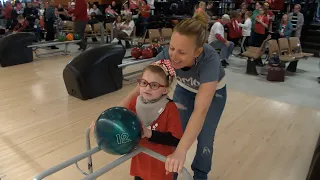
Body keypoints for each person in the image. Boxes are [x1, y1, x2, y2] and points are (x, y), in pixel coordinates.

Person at [120, 10, 227, 180]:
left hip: (214, 94)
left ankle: (200, 175)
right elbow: (140, 87)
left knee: (205, 139)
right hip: (184, 89)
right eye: (172, 48)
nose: (174, 57)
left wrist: (182, 151)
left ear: (197, 52)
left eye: (182, 53)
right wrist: (114, 113)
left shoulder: (210, 60)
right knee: (178, 134)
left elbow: (200, 110)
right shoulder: (166, 55)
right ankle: (172, 173)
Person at [91, 60, 183, 180]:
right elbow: (120, 121)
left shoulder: (170, 108)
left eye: (154, 85)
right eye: (144, 83)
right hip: (140, 162)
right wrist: (102, 127)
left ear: (165, 90)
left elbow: (176, 139)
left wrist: (150, 134)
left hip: (160, 166)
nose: (147, 88)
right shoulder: (135, 103)